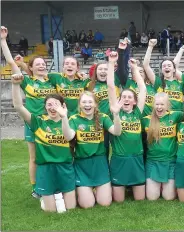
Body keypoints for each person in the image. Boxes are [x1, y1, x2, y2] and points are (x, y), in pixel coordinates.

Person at [1, 26, 57, 199]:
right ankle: (35, 188)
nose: (41, 66)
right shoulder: (27, 82)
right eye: (37, 64)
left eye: (43, 64)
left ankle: (55, 183)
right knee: (33, 157)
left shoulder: (52, 81)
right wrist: (3, 40)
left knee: (53, 156)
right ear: (31, 68)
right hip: (33, 124)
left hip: (51, 124)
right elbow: (11, 63)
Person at [11, 78, 76, 212]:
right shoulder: (38, 122)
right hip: (46, 169)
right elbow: (18, 106)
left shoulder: (71, 121)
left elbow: (68, 136)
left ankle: (59, 194)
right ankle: (47, 197)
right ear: (45, 107)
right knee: (50, 210)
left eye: (56, 104)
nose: (52, 107)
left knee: (71, 208)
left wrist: (64, 117)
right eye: (49, 105)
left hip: (65, 167)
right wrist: (15, 84)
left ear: (63, 106)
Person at [60, 91, 122, 208]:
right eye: (84, 102)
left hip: (100, 164)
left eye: (90, 102)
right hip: (82, 164)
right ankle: (86, 191)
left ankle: (95, 190)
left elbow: (117, 132)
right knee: (87, 205)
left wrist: (117, 115)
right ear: (80, 104)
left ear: (95, 104)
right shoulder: (74, 119)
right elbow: (68, 136)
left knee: (105, 203)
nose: (87, 105)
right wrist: (64, 118)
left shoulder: (103, 117)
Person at [107, 53, 147, 202]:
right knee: (119, 200)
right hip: (120, 159)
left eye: (130, 97)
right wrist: (111, 63)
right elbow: (111, 86)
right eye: (124, 96)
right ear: (119, 99)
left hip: (136, 158)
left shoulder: (137, 112)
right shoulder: (114, 110)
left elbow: (142, 89)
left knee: (140, 199)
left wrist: (135, 68)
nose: (127, 99)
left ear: (135, 102)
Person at [142, 92, 184, 201]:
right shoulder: (146, 119)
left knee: (168, 197)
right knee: (152, 197)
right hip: (152, 161)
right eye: (157, 104)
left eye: (162, 104)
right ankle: (158, 185)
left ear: (167, 105)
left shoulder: (176, 115)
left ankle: (164, 186)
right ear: (153, 105)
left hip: (170, 161)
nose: (159, 107)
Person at [144, 42, 184, 112]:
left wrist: (181, 51)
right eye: (164, 66)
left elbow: (175, 63)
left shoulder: (181, 83)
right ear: (161, 70)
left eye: (169, 66)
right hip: (163, 116)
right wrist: (150, 47)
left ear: (174, 69)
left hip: (179, 117)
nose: (166, 67)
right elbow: (146, 65)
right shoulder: (158, 82)